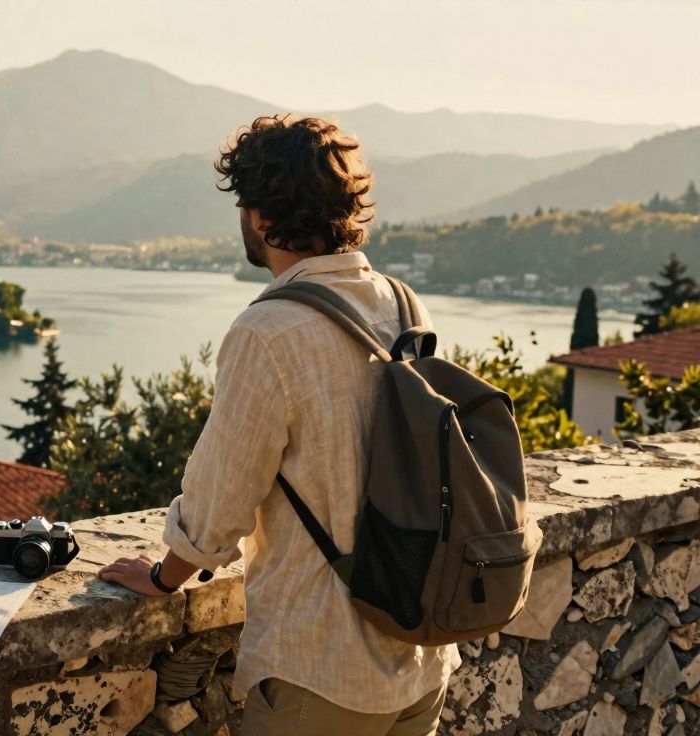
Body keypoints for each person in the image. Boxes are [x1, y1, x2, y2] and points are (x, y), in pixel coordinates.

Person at [97, 115, 460, 734]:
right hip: (420, 656)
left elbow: (219, 505)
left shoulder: (267, 332)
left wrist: (164, 576)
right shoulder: (401, 302)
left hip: (321, 670)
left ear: (261, 218)